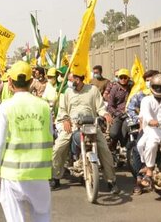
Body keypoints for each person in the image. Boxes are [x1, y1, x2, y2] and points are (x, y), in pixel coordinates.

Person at [0, 61, 53, 222]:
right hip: (40, 172)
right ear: (32, 81)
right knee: (42, 215)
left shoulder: (6, 106)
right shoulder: (44, 106)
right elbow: (50, 135)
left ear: (9, 82)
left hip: (13, 174)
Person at [50, 66, 120, 194]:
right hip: (72, 126)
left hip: (91, 125)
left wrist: (105, 114)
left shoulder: (93, 90)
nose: (70, 82)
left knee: (105, 150)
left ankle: (111, 181)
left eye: (72, 79)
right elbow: (62, 109)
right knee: (58, 148)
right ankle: (55, 177)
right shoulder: (68, 93)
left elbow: (100, 107)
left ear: (79, 79)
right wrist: (65, 119)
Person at [107, 69, 132, 151]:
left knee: (127, 132)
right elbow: (110, 105)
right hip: (119, 115)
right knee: (114, 133)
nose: (123, 80)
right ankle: (114, 145)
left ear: (128, 78)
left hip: (130, 115)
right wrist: (117, 113)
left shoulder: (132, 88)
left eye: (125, 77)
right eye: (121, 77)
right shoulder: (115, 89)